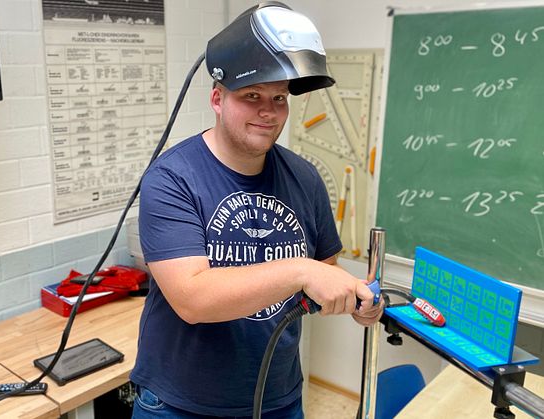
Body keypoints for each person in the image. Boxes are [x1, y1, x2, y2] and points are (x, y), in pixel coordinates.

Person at [130, 3, 384, 418]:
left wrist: (355, 301)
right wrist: (301, 270)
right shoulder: (172, 178)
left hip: (278, 398)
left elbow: (322, 277)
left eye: (279, 99)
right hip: (180, 405)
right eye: (252, 96)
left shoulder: (304, 177)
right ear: (217, 97)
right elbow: (193, 299)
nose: (269, 112)